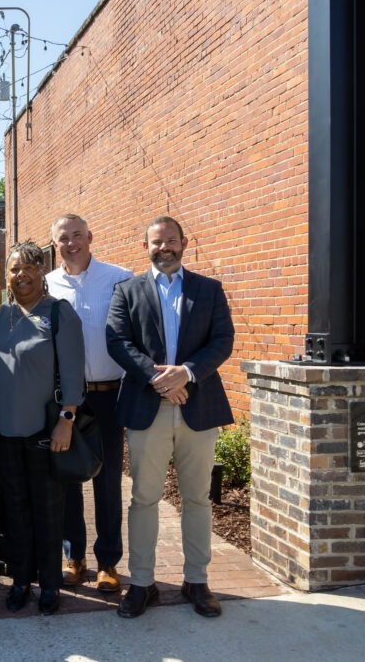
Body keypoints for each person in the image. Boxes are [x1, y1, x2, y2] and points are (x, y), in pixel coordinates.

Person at [106, 215, 235, 619]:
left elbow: (223, 339)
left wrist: (188, 372)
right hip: (149, 407)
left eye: (171, 241)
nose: (164, 248)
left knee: (197, 498)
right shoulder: (126, 290)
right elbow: (117, 340)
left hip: (198, 406)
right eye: (156, 242)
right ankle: (142, 583)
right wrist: (160, 379)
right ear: (145, 246)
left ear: (184, 243)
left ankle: (196, 580)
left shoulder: (209, 290)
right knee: (144, 498)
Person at [0, 240, 85, 616]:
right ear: (5, 275)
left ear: (43, 272)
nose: (20, 275)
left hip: (45, 430)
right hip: (3, 428)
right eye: (13, 269)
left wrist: (66, 420)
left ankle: (50, 584)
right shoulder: (1, 314)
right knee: (15, 509)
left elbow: (73, 372)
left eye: (29, 267)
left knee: (47, 509)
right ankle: (21, 580)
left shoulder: (59, 313)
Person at [45, 214, 132, 593]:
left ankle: (108, 562)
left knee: (108, 482)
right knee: (68, 478)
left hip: (109, 393)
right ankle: (73, 557)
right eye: (64, 238)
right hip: (66, 399)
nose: (72, 243)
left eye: (78, 235)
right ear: (55, 245)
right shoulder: (46, 285)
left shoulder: (119, 278)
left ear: (90, 237)